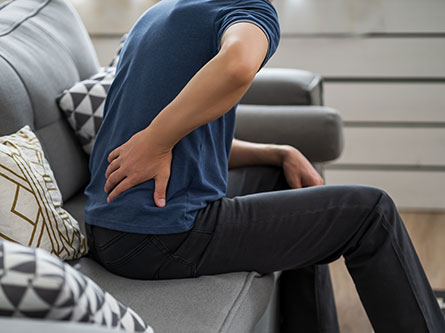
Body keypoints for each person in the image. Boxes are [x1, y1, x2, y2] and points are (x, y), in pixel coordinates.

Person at [83, 0, 445, 332]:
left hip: (110, 227)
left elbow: (190, 144)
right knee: (371, 213)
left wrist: (278, 152)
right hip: (160, 236)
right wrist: (157, 141)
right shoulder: (248, 9)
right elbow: (238, 64)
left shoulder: (162, 12)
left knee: (286, 178)